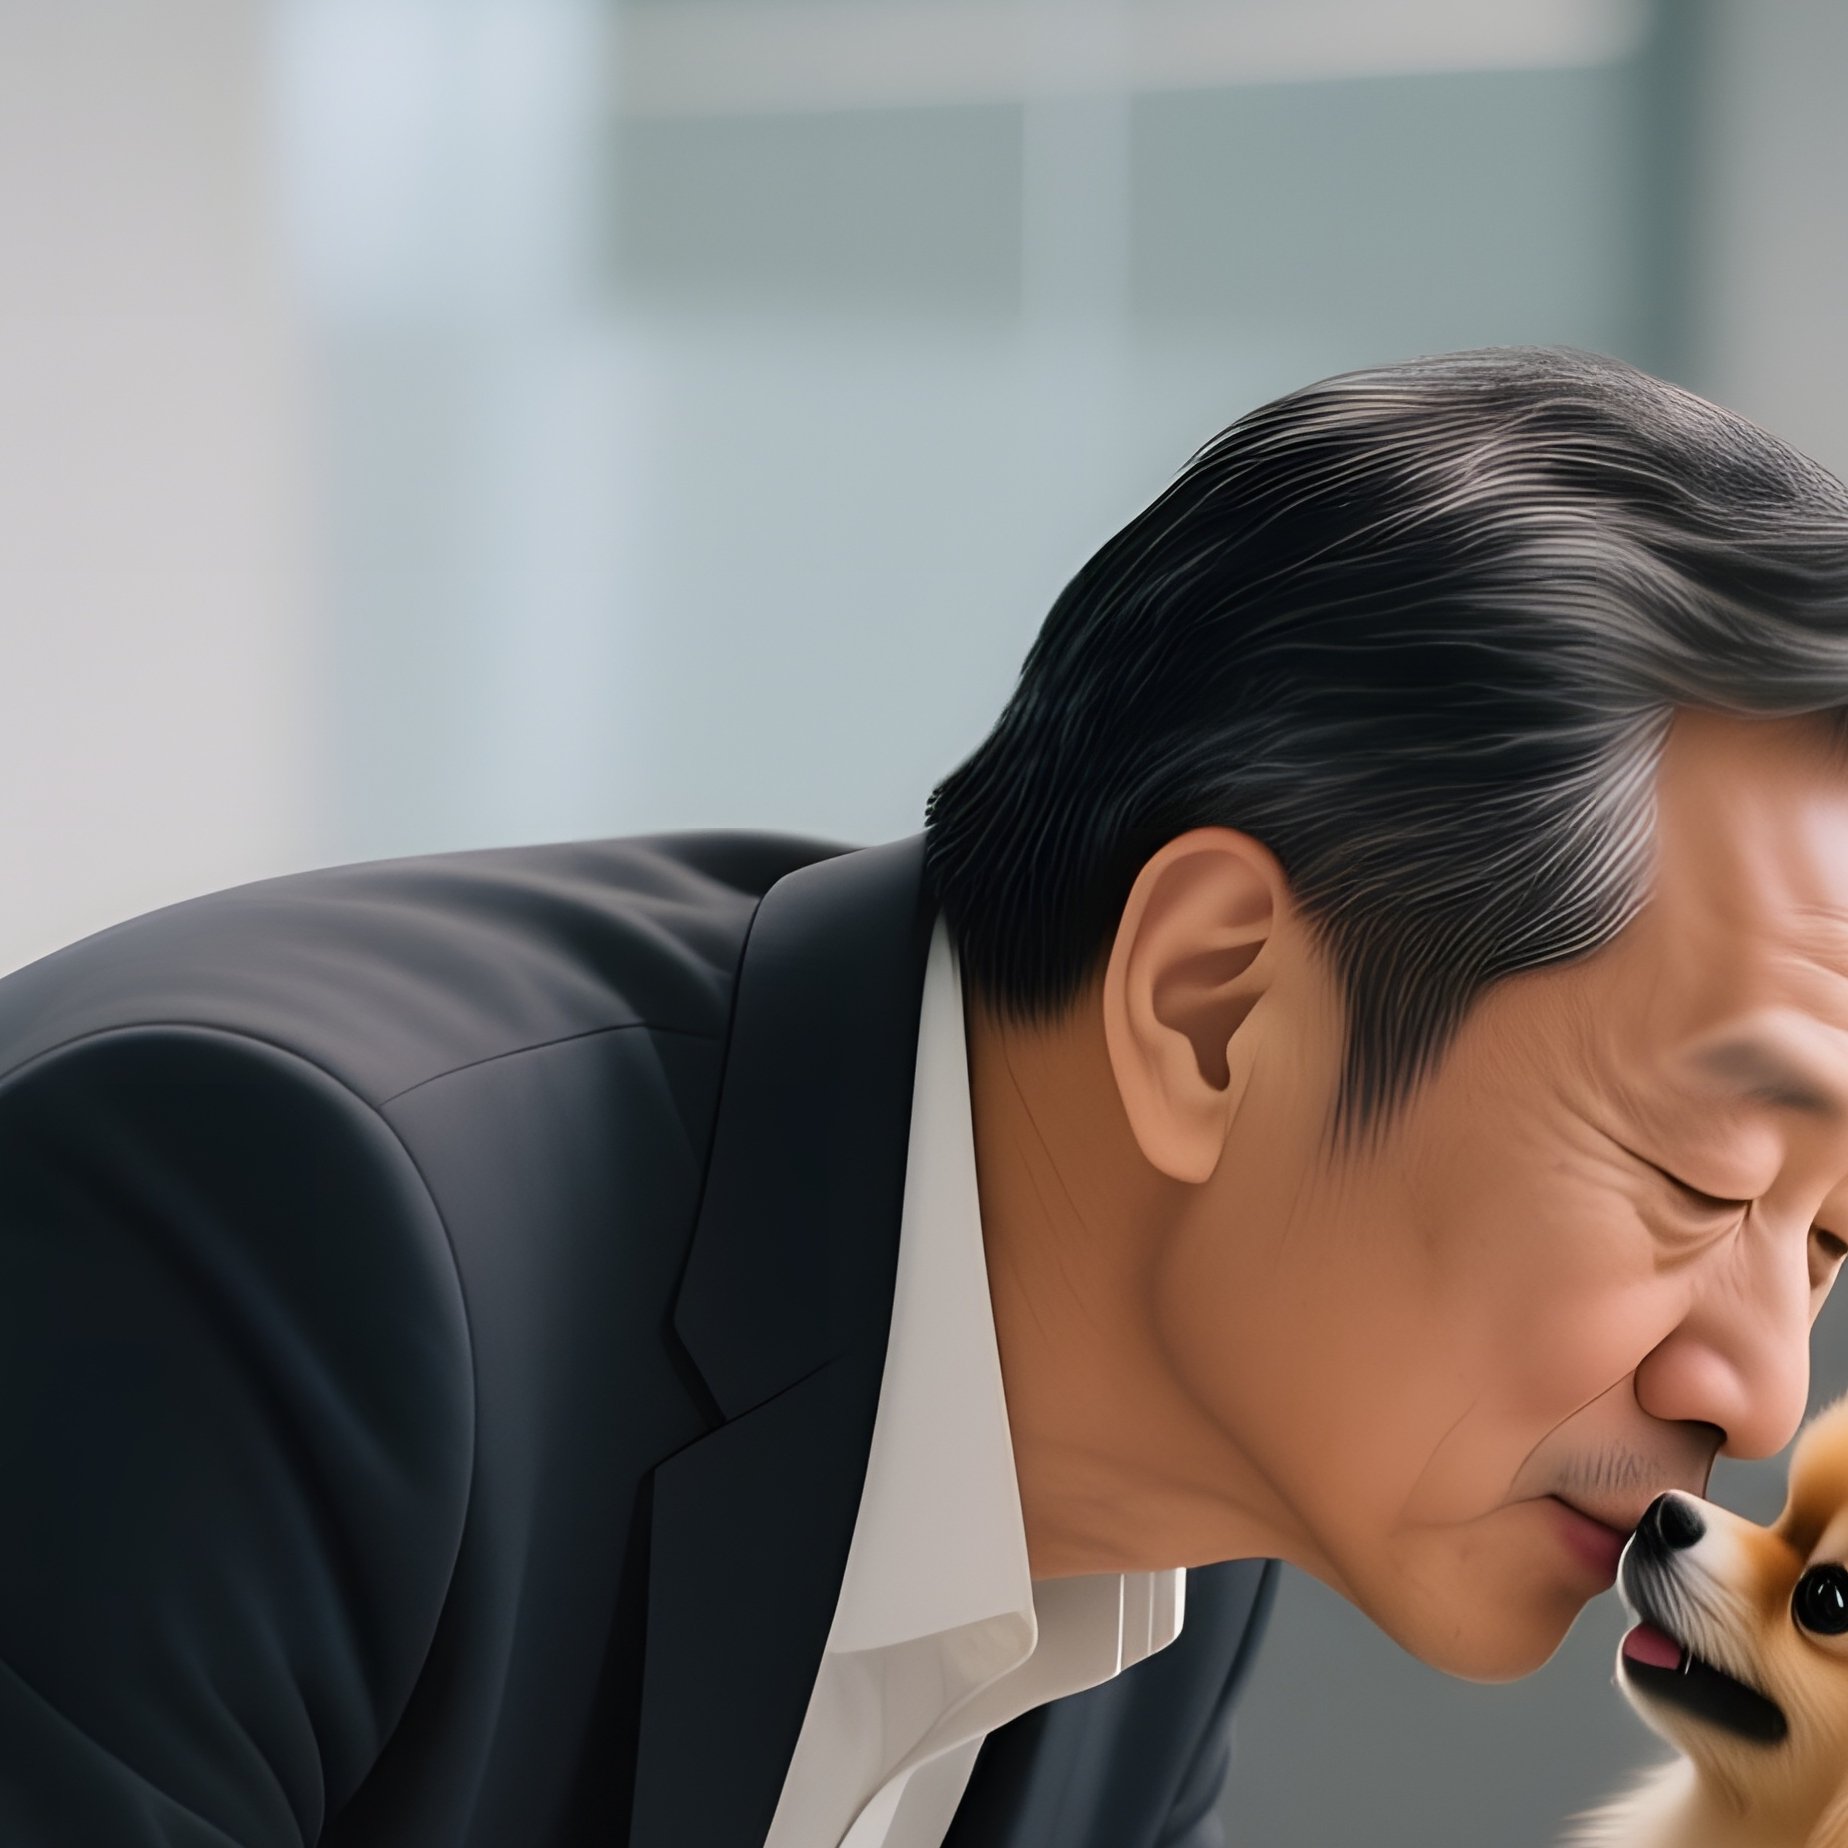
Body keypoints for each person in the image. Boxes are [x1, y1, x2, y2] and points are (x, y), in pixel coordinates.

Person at [5, 346, 1848, 1848]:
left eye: (1833, 1240)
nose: (1761, 1394)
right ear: (1214, 1010)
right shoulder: (257, 1254)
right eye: (1702, 1179)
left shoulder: (1193, 1511)